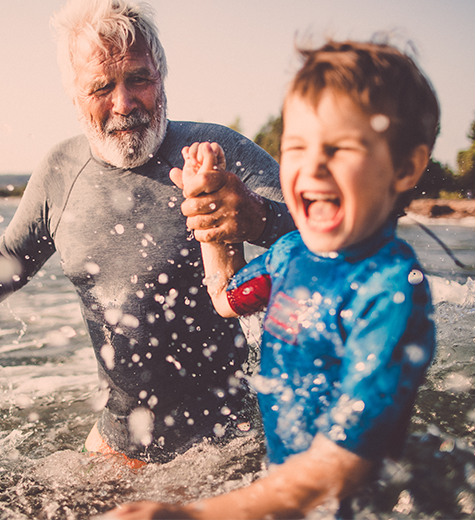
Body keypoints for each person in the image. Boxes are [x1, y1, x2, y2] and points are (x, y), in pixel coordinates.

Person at [0, 0, 294, 465]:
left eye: (139, 79)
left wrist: (256, 218)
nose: (124, 103)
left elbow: (327, 230)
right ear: (74, 96)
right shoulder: (59, 172)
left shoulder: (216, 152)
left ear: (161, 78)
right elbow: (8, 262)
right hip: (116, 448)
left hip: (225, 451)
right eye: (101, 87)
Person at [107, 38, 438, 519]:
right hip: (282, 498)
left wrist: (197, 514)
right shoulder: (289, 256)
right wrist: (208, 216)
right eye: (297, 146)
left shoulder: (389, 289)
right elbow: (224, 297)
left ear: (407, 166)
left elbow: (344, 464)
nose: (312, 166)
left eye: (341, 147)